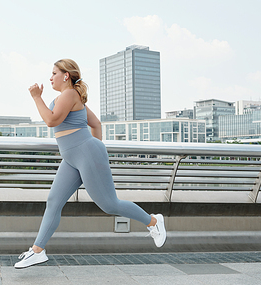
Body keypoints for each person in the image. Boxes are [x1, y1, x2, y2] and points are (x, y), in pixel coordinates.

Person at [14, 59, 166, 269]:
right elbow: (95, 123)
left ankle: (154, 222)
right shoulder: (66, 97)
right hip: (72, 158)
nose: (50, 78)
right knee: (54, 201)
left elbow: (51, 121)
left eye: (54, 73)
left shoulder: (70, 94)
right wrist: (93, 150)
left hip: (85, 153)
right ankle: (37, 251)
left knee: (109, 204)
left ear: (66, 75)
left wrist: (36, 97)